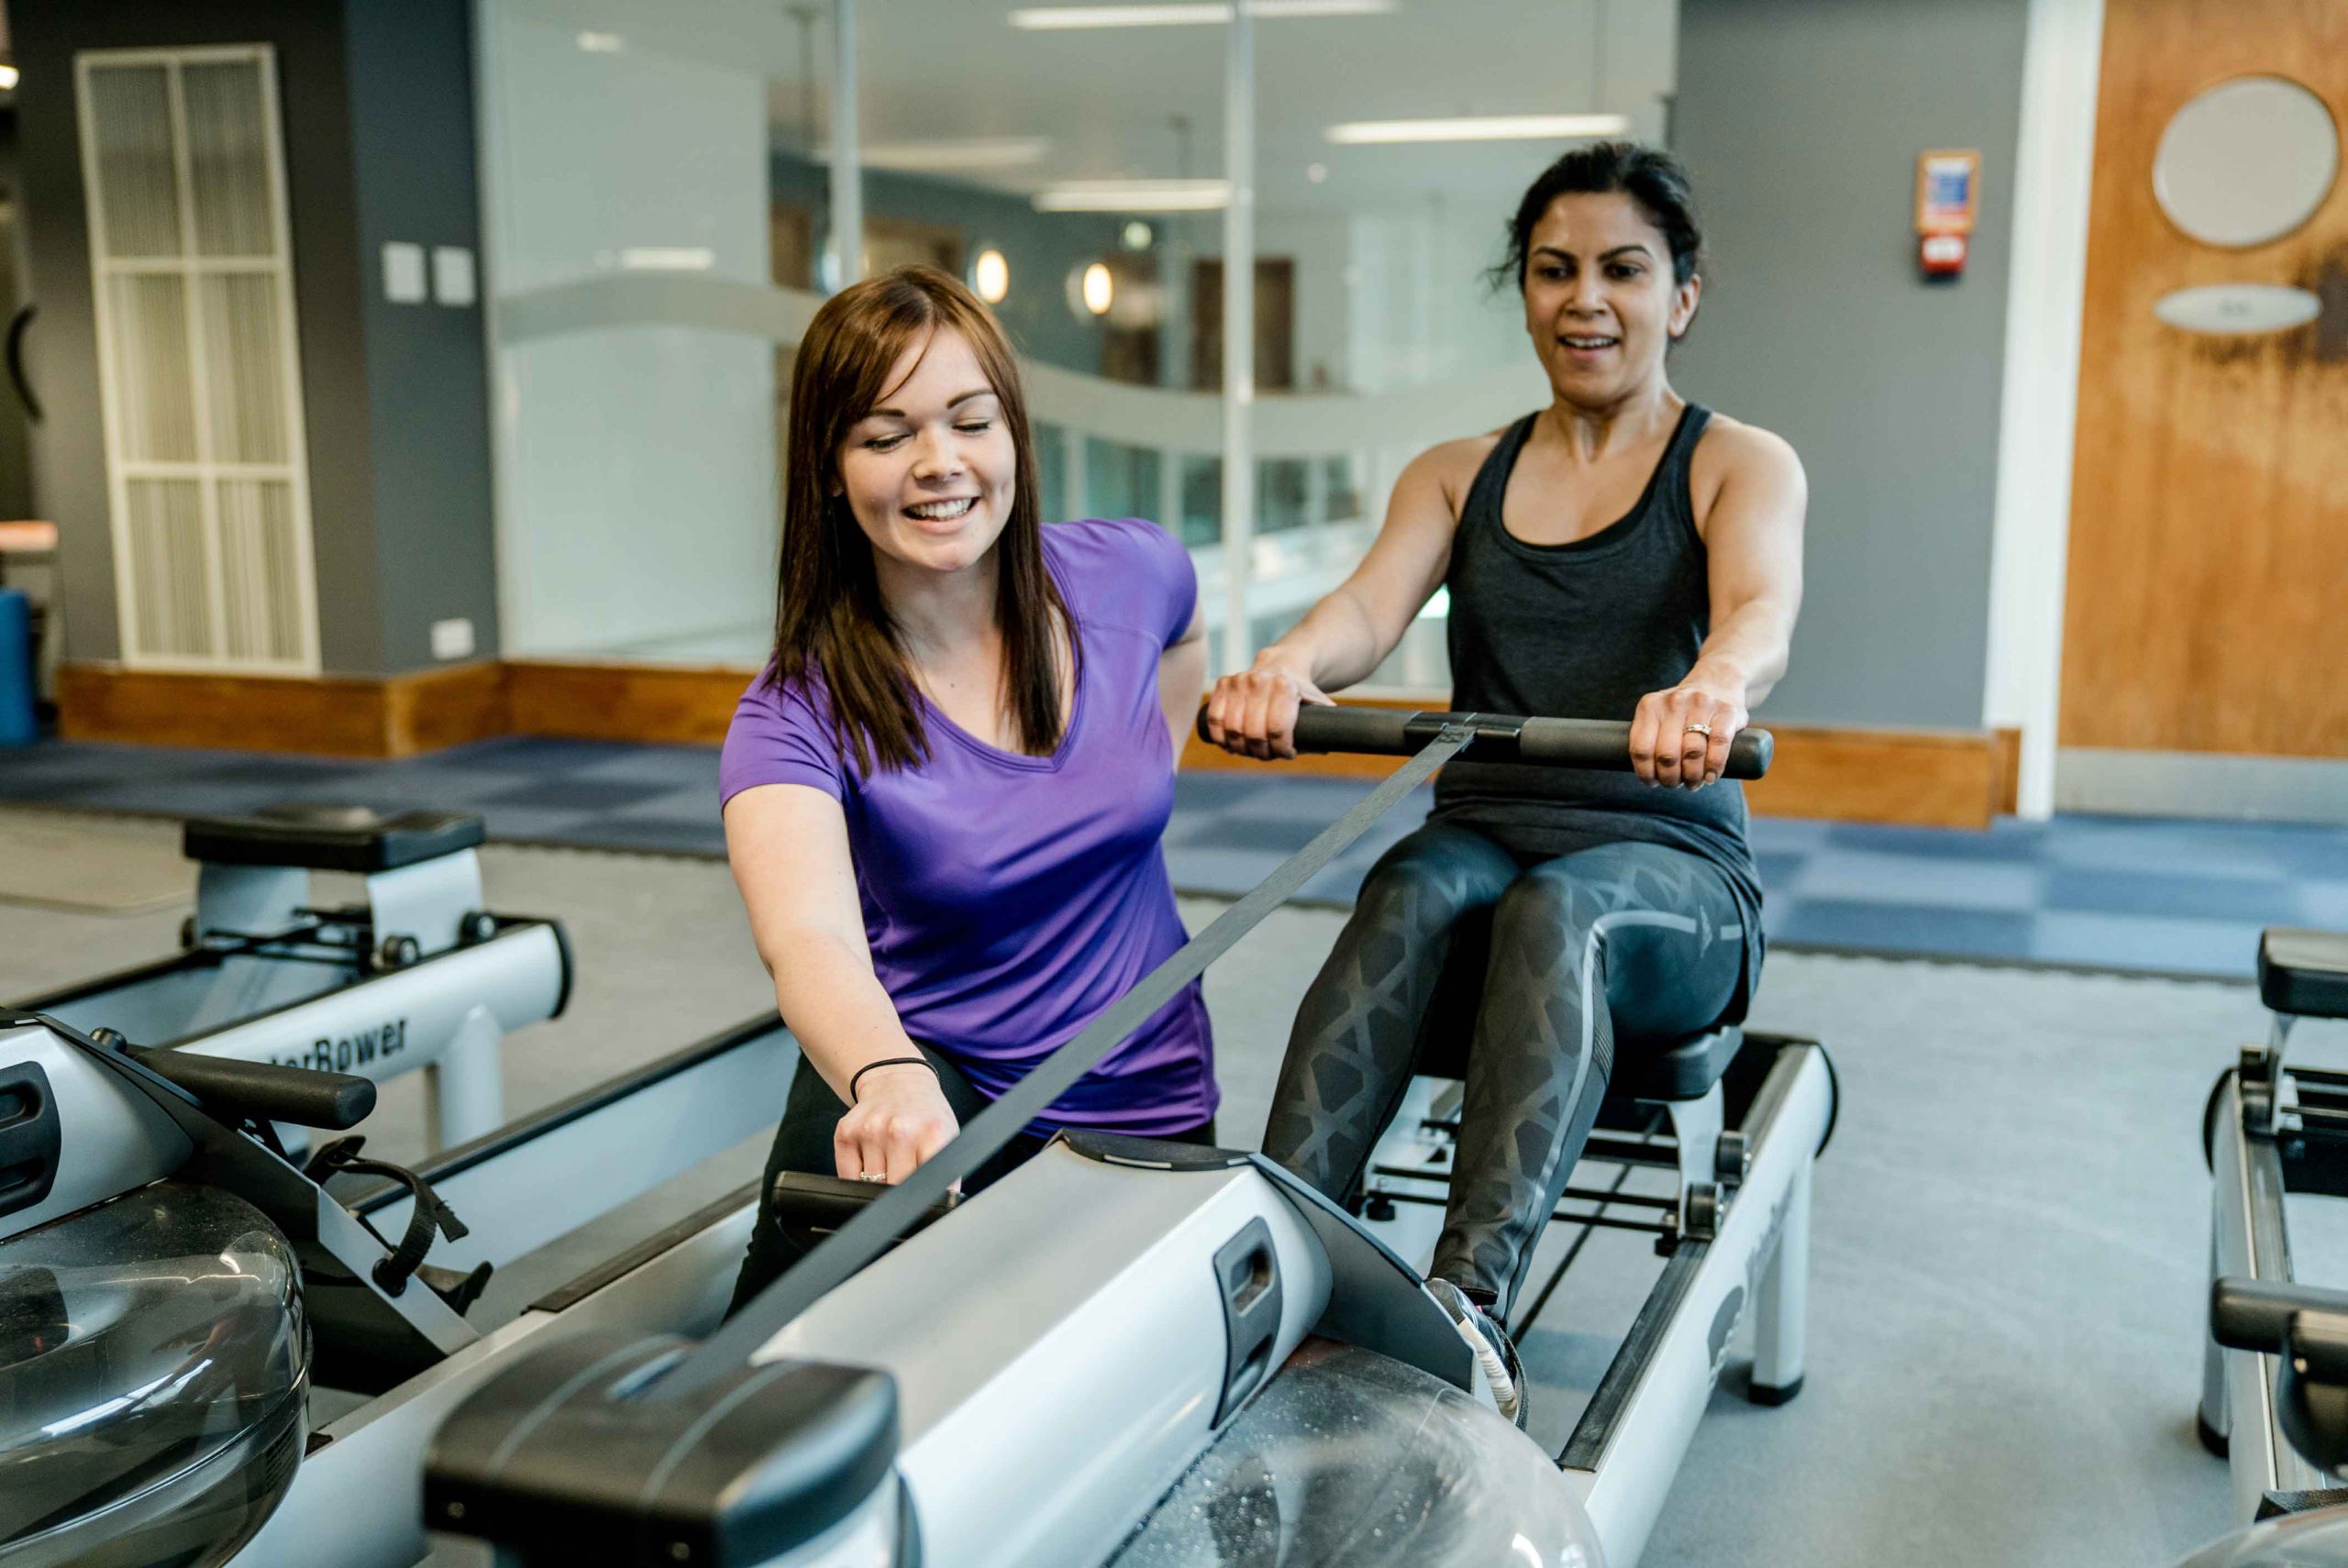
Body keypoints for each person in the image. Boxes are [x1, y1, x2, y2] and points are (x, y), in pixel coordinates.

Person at [1204, 142, 1806, 1422]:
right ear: (1525, 293)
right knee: (1414, 883)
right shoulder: (1456, 471)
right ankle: (1285, 1262)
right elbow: (1367, 608)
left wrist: (1714, 686)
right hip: (1486, 841)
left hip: (1671, 880)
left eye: (1623, 270)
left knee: (1560, 910)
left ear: (1680, 297)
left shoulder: (1735, 461)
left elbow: (1760, 608)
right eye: (1555, 270)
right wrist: (1290, 664)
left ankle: (1466, 1308)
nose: (1587, 298)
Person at [721, 266, 1214, 1312]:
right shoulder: (792, 712)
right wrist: (881, 1075)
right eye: (884, 434)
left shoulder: (1129, 573)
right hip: (933, 1089)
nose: (938, 464)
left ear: (1013, 436)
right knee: (797, 1339)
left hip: (1148, 1096)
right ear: (829, 467)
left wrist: (1131, 775)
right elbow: (807, 941)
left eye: (969, 420)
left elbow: (1186, 635)